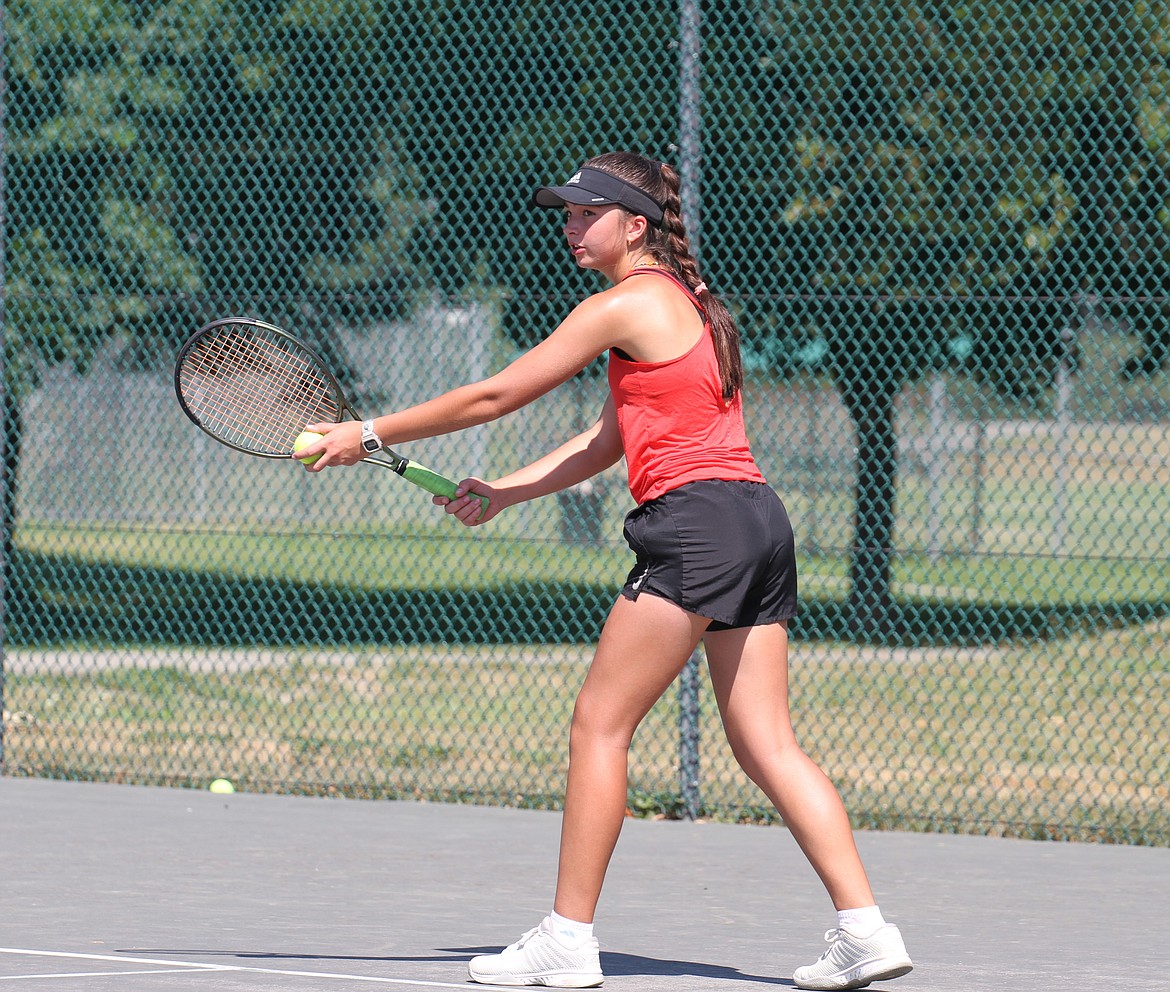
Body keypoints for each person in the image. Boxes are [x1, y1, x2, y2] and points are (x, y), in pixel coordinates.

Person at [295, 151, 913, 991]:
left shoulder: (623, 303)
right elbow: (609, 440)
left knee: (599, 725)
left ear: (636, 226)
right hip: (756, 522)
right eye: (567, 213)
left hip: (696, 528)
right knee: (765, 741)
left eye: (588, 214)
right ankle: (866, 930)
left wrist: (365, 434)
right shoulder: (691, 307)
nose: (570, 227)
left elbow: (495, 395)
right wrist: (506, 492)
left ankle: (567, 938)